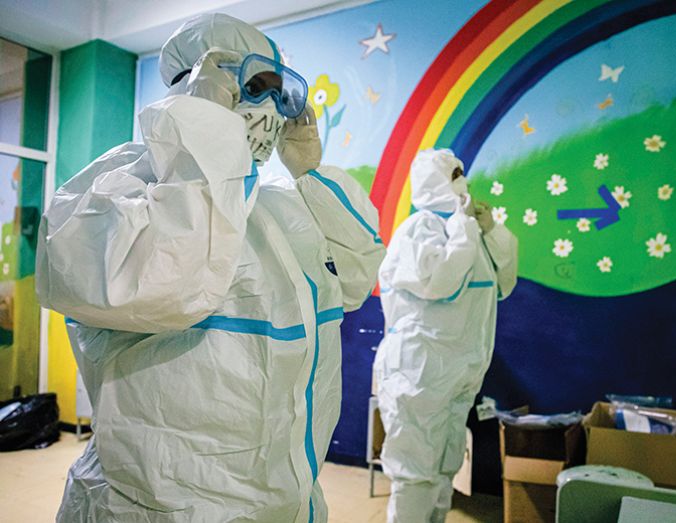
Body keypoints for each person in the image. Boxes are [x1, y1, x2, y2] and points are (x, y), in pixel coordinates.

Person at [36, 13, 385, 522]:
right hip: (162, 509)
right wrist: (203, 132)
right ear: (199, 84)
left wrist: (309, 171)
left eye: (281, 92)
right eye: (254, 85)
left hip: (285, 501)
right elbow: (169, 283)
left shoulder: (281, 210)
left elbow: (354, 278)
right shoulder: (120, 189)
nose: (270, 107)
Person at [373, 148, 518, 523]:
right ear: (432, 181)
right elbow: (442, 282)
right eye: (453, 174)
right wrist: (466, 227)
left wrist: (491, 230)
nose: (462, 181)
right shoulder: (419, 229)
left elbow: (504, 283)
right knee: (415, 471)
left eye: (460, 172)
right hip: (419, 372)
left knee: (444, 465)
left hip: (458, 370)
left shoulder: (465, 231)